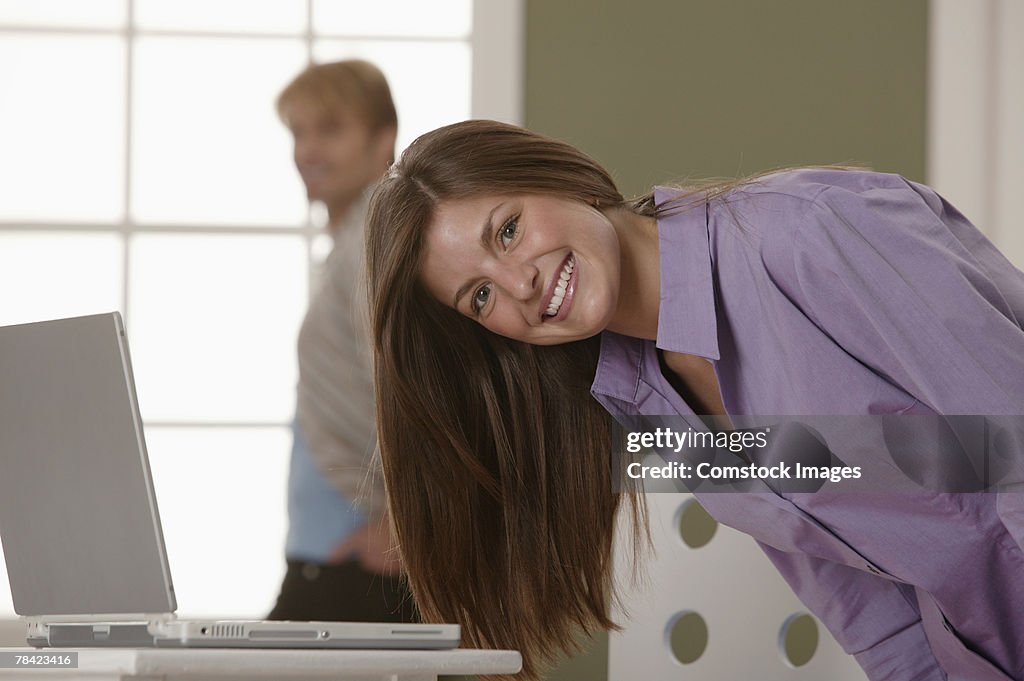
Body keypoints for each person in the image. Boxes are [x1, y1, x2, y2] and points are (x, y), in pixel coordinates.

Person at [363, 120, 1024, 680]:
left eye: (506, 231)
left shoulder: (810, 236)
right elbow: (873, 609)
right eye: (479, 297)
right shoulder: (641, 403)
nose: (519, 283)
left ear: (563, 178)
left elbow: (1014, 445)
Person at [267, 60, 416, 623]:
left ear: (385, 141)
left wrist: (402, 530)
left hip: (361, 566)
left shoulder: (376, 239)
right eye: (297, 132)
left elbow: (427, 399)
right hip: (330, 553)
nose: (306, 150)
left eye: (328, 129)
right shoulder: (352, 241)